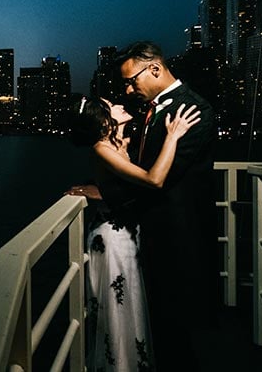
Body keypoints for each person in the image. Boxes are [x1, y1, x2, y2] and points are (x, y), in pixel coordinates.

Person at [67, 95, 201, 372]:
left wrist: (98, 188)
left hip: (127, 234)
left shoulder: (119, 144)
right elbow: (154, 179)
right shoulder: (102, 148)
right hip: (112, 238)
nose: (119, 105)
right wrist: (173, 136)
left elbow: (119, 183)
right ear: (104, 120)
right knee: (118, 308)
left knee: (131, 303)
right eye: (111, 107)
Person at [116, 41, 217, 371]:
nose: (129, 89)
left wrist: (110, 193)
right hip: (154, 233)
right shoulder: (150, 111)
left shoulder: (192, 110)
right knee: (160, 325)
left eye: (132, 80)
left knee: (179, 332)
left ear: (155, 69)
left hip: (178, 238)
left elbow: (161, 176)